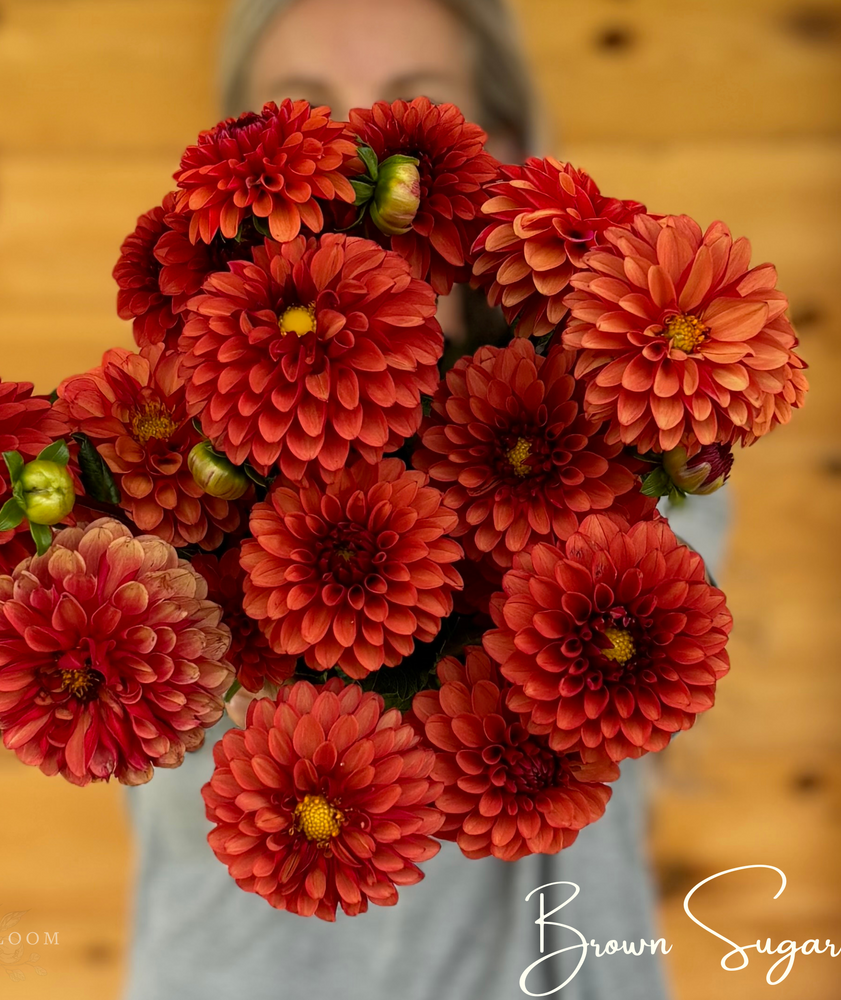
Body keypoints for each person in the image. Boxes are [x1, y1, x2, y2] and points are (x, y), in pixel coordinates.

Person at [123, 2, 728, 997]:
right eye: (303, 116)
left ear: (510, 153)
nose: (359, 160)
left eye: (411, 111)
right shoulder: (159, 475)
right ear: (229, 184)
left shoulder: (636, 440)